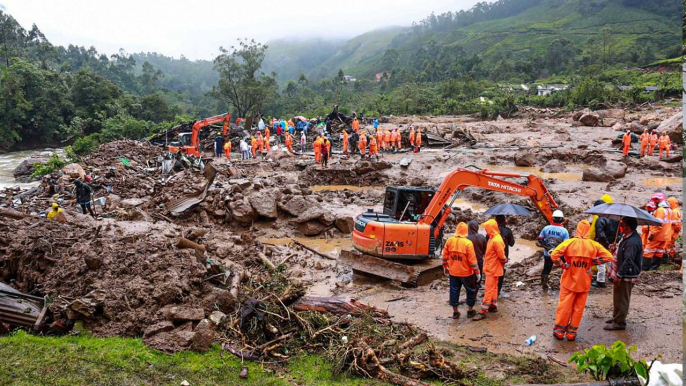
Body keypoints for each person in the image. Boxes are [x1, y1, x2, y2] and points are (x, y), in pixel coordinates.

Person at [550, 220, 613, 341]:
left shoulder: (570, 243)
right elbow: (609, 256)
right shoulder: (593, 245)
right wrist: (593, 262)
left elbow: (554, 255)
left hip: (569, 280)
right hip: (584, 282)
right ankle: (571, 333)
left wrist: (563, 265)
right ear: (588, 231)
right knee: (578, 309)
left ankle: (559, 331)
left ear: (577, 230)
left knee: (564, 306)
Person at [604, 217, 642, 331]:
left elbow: (629, 260)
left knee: (622, 298)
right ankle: (616, 317)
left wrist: (620, 275)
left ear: (629, 227)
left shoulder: (632, 242)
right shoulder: (627, 237)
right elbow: (623, 253)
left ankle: (619, 323)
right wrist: (615, 248)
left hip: (626, 274)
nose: (621, 227)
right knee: (617, 296)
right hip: (622, 272)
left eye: (623, 225)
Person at [442, 222, 481, 319]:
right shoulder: (468, 243)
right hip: (466, 273)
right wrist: (477, 272)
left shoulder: (450, 241)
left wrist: (445, 266)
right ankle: (470, 310)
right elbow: (472, 260)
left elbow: (444, 256)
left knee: (454, 290)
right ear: (465, 231)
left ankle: (455, 312)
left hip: (453, 272)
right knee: (471, 291)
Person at [473, 219, 506, 321]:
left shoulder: (496, 240)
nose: (486, 230)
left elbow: (501, 255)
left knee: (488, 289)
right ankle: (493, 305)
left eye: (487, 228)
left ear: (491, 228)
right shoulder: (493, 238)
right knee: (494, 287)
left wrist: (504, 260)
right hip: (492, 267)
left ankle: (483, 310)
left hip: (492, 268)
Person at [537, 210, 570, 293]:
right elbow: (566, 244)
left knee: (546, 269)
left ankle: (544, 286)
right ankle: (564, 284)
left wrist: (548, 248)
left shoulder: (546, 228)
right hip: (560, 255)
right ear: (562, 219)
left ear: (553, 218)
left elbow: (540, 240)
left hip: (548, 254)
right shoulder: (564, 231)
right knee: (565, 268)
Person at [590, 194, 617, 288]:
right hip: (611, 242)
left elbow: (600, 233)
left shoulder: (600, 220)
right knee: (609, 260)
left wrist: (604, 243)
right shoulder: (613, 218)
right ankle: (611, 276)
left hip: (602, 244)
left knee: (600, 262)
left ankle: (600, 281)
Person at [642, 193, 671, 270]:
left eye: (655, 202)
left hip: (657, 235)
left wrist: (652, 234)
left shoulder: (660, 210)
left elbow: (657, 224)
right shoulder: (669, 210)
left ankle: (644, 268)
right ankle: (654, 268)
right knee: (659, 252)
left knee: (648, 251)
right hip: (665, 236)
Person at [494, 215, 515, 296]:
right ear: (504, 220)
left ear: (496, 221)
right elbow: (512, 243)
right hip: (503, 256)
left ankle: (492, 289)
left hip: (493, 255)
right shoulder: (507, 231)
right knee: (500, 272)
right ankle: (497, 291)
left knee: (493, 272)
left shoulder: (492, 231)